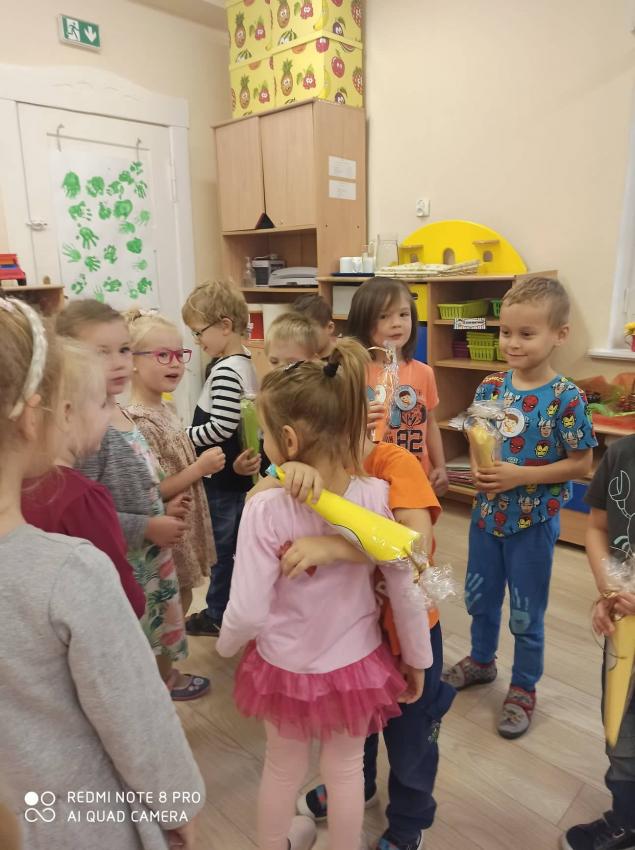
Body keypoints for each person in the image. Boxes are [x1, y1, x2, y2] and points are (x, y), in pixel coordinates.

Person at [0, 297, 205, 850]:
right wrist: (177, 805)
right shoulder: (72, 573)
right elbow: (136, 717)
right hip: (76, 819)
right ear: (35, 415)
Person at [217, 339, 432, 850]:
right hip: (354, 664)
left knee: (281, 766)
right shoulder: (377, 497)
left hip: (283, 665)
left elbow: (246, 609)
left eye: (266, 434)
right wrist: (417, 658)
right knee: (346, 769)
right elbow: (407, 586)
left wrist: (226, 647)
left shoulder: (264, 508)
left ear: (288, 439)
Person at [444, 277, 597, 738]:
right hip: (486, 519)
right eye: (506, 332)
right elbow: (478, 437)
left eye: (526, 334)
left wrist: (520, 476)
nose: (512, 343)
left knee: (526, 613)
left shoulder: (566, 397)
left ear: (559, 335)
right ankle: (482, 661)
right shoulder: (491, 386)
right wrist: (480, 469)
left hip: (533, 525)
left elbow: (582, 463)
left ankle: (524, 687)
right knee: (480, 599)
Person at [57, 300, 199, 699]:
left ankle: (161, 685)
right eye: (101, 353)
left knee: (157, 631)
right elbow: (84, 516)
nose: (119, 362)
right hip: (126, 562)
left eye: (123, 349)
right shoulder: (87, 429)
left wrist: (160, 507)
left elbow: (132, 484)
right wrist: (147, 525)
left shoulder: (117, 410)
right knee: (134, 643)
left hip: (150, 559)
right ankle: (147, 695)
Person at [22, 338, 145, 617]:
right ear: (68, 413)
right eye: (103, 404)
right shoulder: (83, 499)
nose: (110, 414)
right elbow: (123, 598)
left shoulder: (19, 487)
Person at [561, 433, 635, 850]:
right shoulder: (622, 454)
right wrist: (609, 589)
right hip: (624, 628)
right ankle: (626, 819)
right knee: (620, 730)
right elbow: (597, 527)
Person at [125, 308, 222, 624]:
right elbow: (154, 489)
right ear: (132, 362)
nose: (176, 364)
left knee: (185, 595)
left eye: (180, 355)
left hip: (184, 522)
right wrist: (199, 468)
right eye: (163, 355)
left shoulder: (165, 408)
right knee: (171, 604)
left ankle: (174, 652)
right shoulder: (140, 421)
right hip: (167, 527)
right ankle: (167, 655)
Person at [181, 281, 259, 637]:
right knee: (230, 548)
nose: (198, 341)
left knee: (221, 551)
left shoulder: (226, 370)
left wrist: (182, 437)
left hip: (222, 479)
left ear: (225, 325)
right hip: (232, 477)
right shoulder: (242, 362)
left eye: (199, 333)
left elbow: (221, 427)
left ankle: (217, 613)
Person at [346, 277, 448, 496]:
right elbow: (338, 428)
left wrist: (440, 466)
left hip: (414, 477)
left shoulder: (424, 373)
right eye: (384, 316)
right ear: (363, 321)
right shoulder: (353, 372)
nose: (396, 323)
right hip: (367, 478)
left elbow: (430, 423)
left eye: (404, 314)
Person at [292, 294, 336, 358]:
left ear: (330, 327)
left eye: (310, 332)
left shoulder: (345, 361)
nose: (303, 339)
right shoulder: (297, 359)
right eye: (298, 333)